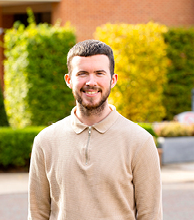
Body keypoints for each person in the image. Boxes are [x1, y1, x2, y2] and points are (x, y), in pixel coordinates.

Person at [28, 40, 162, 220]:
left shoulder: (140, 141)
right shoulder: (45, 141)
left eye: (99, 73)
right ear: (69, 80)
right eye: (82, 73)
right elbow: (37, 214)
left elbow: (150, 215)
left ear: (112, 79)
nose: (91, 82)